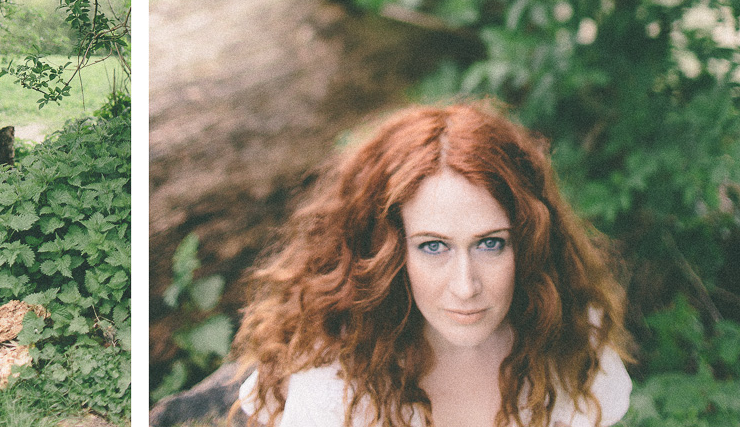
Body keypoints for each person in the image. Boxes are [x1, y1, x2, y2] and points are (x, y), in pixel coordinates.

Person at [235, 102, 633, 427]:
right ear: (386, 252)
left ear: (528, 243)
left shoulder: (567, 340)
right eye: (433, 247)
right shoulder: (334, 371)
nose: (465, 286)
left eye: (490, 243)